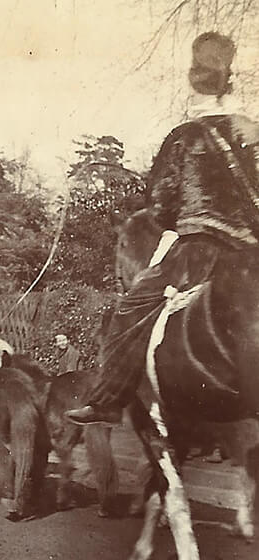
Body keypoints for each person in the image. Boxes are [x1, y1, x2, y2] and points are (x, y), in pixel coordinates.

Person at [67, 31, 259, 425]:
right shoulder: (250, 134)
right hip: (252, 250)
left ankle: (106, 402)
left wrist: (174, 216)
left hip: (200, 251)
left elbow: (160, 204)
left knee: (128, 311)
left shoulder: (184, 137)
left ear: (194, 81)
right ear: (229, 80)